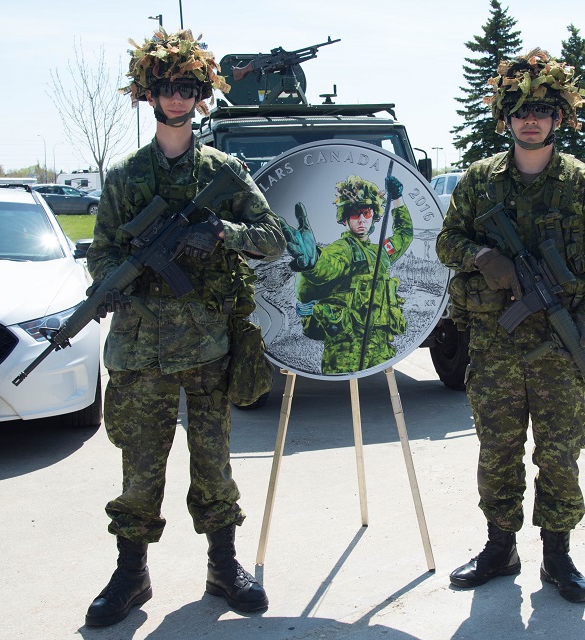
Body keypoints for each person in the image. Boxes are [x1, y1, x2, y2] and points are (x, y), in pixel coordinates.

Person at [84, 28, 286, 627]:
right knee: (140, 468)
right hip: (141, 350)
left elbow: (274, 240)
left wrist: (224, 233)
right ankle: (131, 574)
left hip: (207, 347)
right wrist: (117, 282)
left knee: (214, 463)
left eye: (188, 88)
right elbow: (100, 253)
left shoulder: (223, 170)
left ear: (201, 97)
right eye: (167, 87)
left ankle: (223, 566)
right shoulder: (125, 176)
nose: (177, 98)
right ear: (150, 95)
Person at [435, 48, 585, 603]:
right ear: (505, 116)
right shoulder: (478, 181)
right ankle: (500, 548)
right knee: (497, 449)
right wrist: (481, 258)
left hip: (560, 351)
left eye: (542, 107)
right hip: (494, 345)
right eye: (519, 108)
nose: (530, 117)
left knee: (559, 452)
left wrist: (579, 320)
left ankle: (558, 555)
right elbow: (447, 241)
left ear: (560, 116)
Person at [280, 174, 412, 374]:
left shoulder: (380, 253)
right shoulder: (343, 249)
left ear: (374, 216)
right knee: (340, 399)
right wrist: (312, 263)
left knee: (375, 400)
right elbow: (327, 267)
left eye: (366, 213)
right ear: (344, 219)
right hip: (346, 349)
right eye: (354, 213)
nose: (361, 219)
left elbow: (404, 235)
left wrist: (397, 200)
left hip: (380, 346)